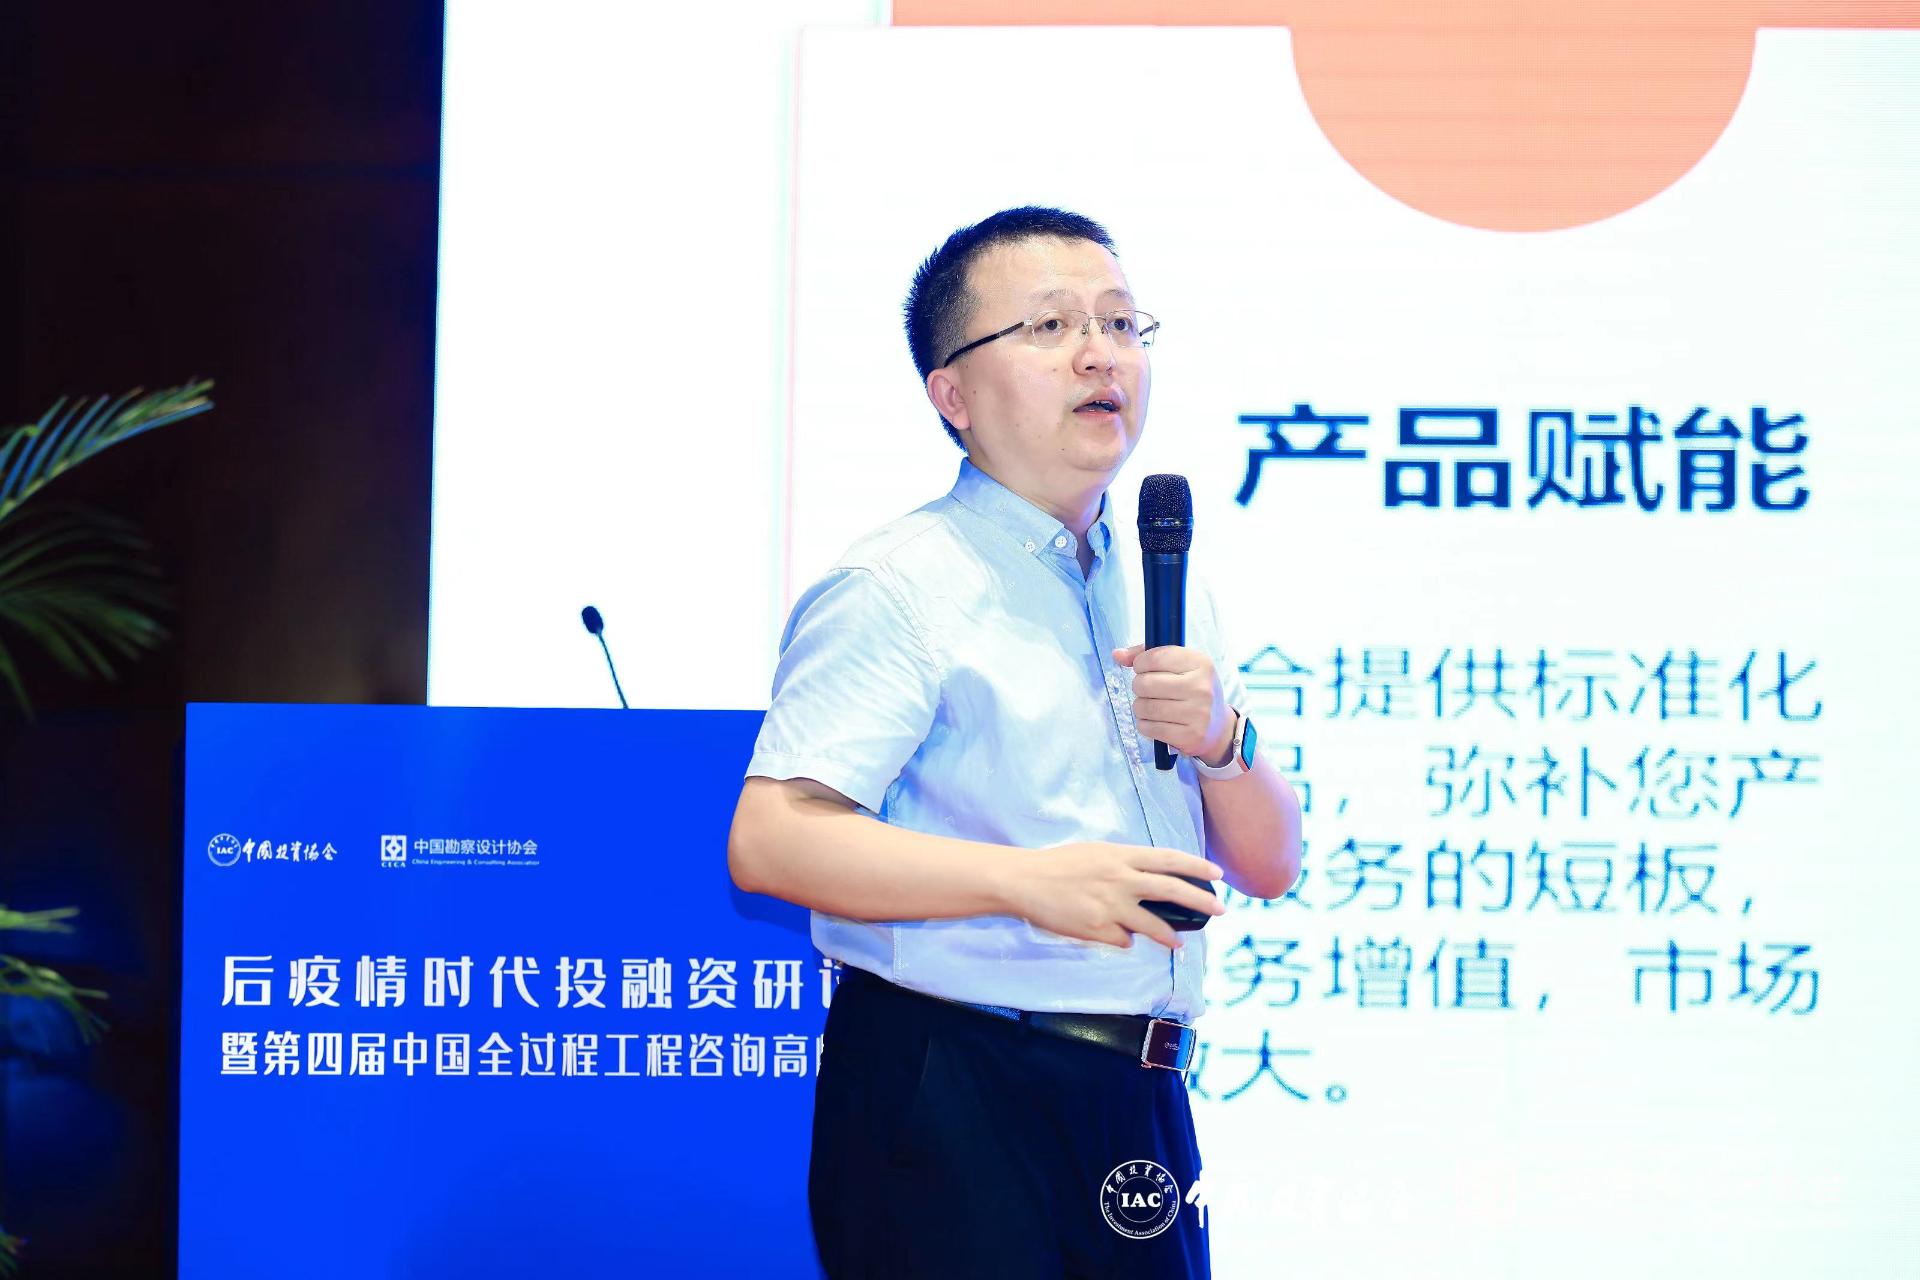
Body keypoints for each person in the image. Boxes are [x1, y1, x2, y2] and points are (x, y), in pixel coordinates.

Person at [728, 206, 1302, 1279]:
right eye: (1049, 326)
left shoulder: (1165, 585)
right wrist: (1029, 885)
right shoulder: (899, 584)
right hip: (955, 1079)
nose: (1100, 353)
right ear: (952, 394)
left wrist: (1223, 739)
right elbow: (771, 838)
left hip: (1137, 1090)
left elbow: (1271, 863)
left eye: (1121, 323)